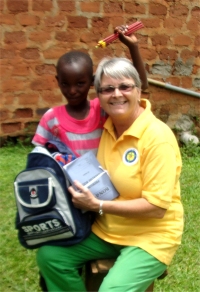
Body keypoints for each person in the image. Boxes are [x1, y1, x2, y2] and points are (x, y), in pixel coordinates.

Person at [37, 57, 184, 291]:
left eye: (125, 86)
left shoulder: (157, 137)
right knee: (51, 256)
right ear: (99, 96)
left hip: (151, 238)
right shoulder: (106, 127)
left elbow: (156, 207)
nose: (116, 94)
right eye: (107, 89)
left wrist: (98, 206)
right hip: (107, 232)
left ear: (138, 90)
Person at [32, 25, 148, 153]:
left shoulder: (102, 110)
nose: (72, 91)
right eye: (65, 84)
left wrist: (133, 47)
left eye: (80, 83)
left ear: (92, 82)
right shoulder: (51, 119)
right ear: (58, 81)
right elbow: (39, 158)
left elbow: (139, 86)